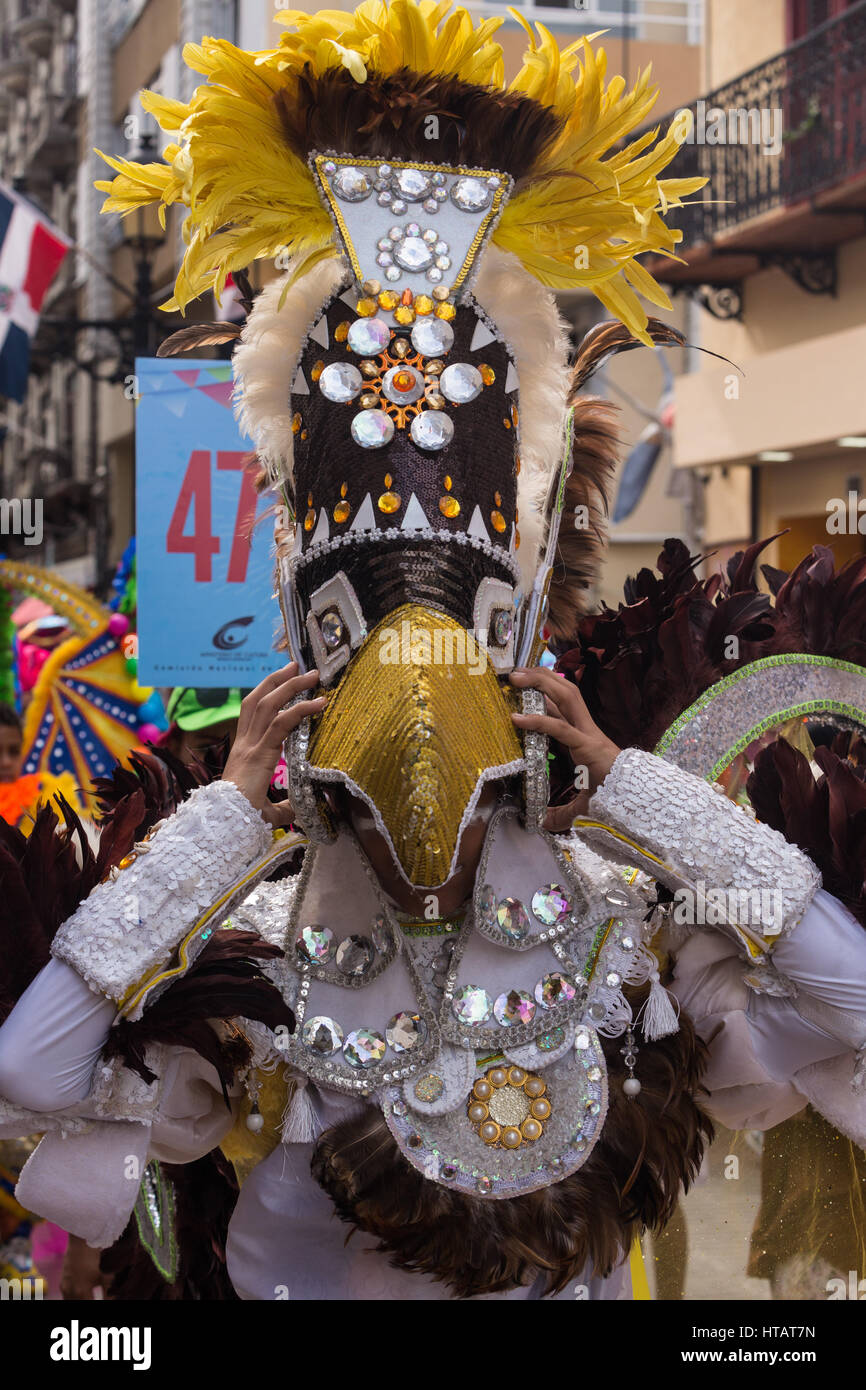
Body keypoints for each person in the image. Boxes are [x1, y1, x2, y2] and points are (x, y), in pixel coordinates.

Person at [1, 1, 866, 1301]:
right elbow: (27, 1074)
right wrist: (226, 824)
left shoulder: (625, 934)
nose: (422, 755)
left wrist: (639, 796)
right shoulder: (262, 954)